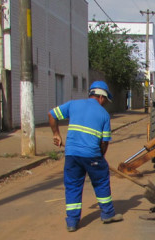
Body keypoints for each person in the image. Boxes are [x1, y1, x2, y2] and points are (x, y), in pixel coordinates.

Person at [48, 81, 123, 232]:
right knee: (101, 182)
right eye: (106, 100)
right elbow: (105, 142)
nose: (106, 103)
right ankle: (107, 214)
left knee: (73, 186)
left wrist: (56, 134)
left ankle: (72, 222)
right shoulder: (104, 115)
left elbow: (52, 114)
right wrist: (100, 157)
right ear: (101, 97)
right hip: (92, 155)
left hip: (72, 155)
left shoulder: (73, 105)